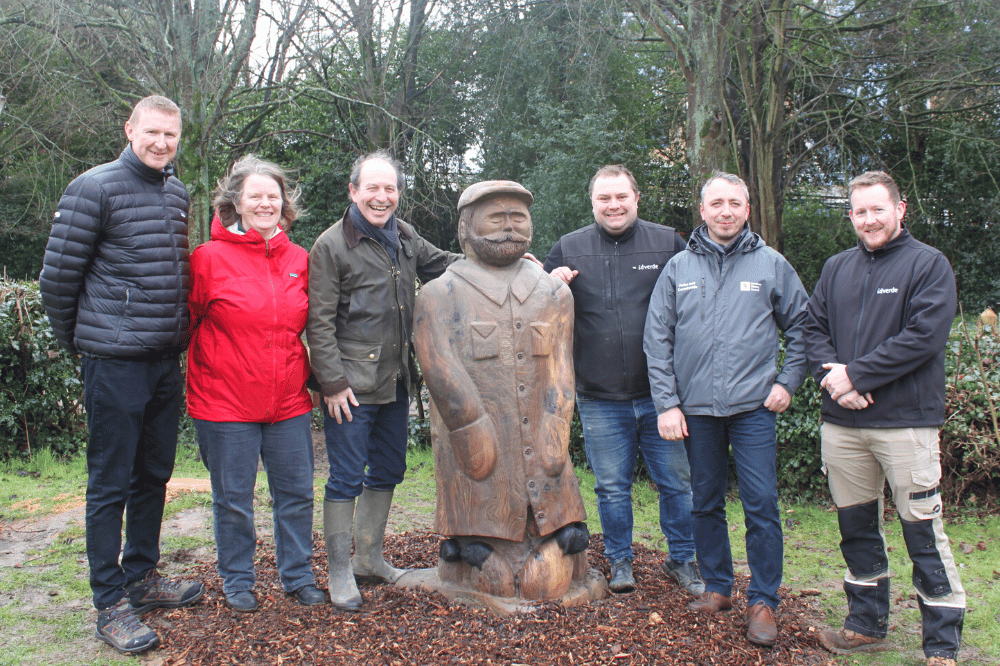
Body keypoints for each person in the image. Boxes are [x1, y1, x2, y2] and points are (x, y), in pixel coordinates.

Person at [39, 95, 203, 654]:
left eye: (171, 136)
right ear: (129, 129)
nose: (161, 143)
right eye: (152, 132)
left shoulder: (176, 193)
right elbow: (57, 281)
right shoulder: (94, 187)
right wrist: (84, 346)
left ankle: (142, 576)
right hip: (112, 363)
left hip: (163, 363)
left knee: (154, 473)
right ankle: (110, 602)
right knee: (110, 483)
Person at [803, 171, 965, 666]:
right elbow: (813, 329)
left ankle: (941, 643)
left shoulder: (928, 265)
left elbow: (924, 337)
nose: (869, 220)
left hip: (906, 425)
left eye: (878, 209)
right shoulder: (836, 268)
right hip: (843, 426)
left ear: (901, 208)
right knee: (856, 527)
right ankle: (865, 625)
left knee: (922, 529)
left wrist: (857, 376)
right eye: (860, 212)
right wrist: (835, 382)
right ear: (850, 216)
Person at [643, 171, 808, 647]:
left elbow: (802, 327)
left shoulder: (771, 264)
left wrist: (788, 381)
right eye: (717, 203)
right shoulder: (678, 269)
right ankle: (718, 586)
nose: (726, 211)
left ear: (747, 208)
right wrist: (667, 404)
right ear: (702, 210)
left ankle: (762, 601)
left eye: (735, 203)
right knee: (704, 502)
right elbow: (657, 341)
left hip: (754, 407)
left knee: (761, 505)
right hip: (696, 409)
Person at [414, 181, 590, 601]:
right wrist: (470, 426)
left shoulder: (553, 292)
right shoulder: (440, 294)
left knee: (547, 535)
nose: (509, 227)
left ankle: (556, 539)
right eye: (496, 218)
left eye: (518, 218)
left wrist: (558, 417)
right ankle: (470, 545)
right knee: (489, 542)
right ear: (465, 226)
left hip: (541, 431)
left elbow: (564, 366)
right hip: (479, 443)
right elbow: (439, 368)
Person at [307, 150, 461, 611]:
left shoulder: (406, 237)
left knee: (390, 469)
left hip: (395, 382)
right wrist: (331, 383)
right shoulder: (332, 246)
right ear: (353, 192)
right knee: (347, 477)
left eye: (389, 188)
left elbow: (449, 262)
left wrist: (505, 256)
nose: (381, 196)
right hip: (350, 387)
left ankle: (369, 558)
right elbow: (318, 322)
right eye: (371, 187)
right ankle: (339, 570)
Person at [543, 165, 702, 596]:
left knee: (675, 482)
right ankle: (620, 560)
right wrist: (549, 282)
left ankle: (683, 559)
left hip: (660, 396)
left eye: (621, 197)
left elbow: (697, 298)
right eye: (604, 199)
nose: (613, 206)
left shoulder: (668, 242)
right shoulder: (569, 248)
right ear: (592, 203)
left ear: (636, 198)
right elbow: (536, 302)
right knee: (612, 487)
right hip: (599, 396)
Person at [186, 156, 326, 613]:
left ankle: (299, 576)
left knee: (297, 494)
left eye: (273, 196)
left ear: (284, 205)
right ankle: (238, 581)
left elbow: (315, 327)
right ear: (237, 203)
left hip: (287, 401)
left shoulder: (300, 259)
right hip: (223, 403)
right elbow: (184, 324)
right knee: (233, 500)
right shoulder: (207, 259)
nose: (266, 204)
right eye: (256, 196)